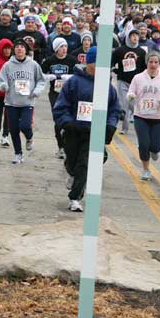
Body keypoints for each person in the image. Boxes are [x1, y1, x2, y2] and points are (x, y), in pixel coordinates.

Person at [53, 47, 120, 211]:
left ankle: (75, 198)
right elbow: (61, 106)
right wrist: (67, 122)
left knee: (86, 163)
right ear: (89, 62)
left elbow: (114, 109)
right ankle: (70, 170)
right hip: (74, 130)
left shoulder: (107, 87)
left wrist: (110, 126)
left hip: (94, 132)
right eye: (97, 62)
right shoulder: (74, 82)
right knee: (74, 161)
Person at [0, 38, 46, 164]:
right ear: (14, 50)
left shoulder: (33, 65)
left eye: (22, 47)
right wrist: (3, 86)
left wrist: (36, 91)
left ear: (26, 50)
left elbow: (41, 80)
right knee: (13, 129)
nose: (19, 49)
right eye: (17, 47)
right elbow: (0, 80)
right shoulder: (7, 65)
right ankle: (18, 154)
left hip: (27, 102)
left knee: (25, 125)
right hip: (11, 102)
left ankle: (29, 138)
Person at [127, 50, 160, 181]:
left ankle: (155, 150)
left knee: (155, 146)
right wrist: (131, 97)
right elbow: (131, 92)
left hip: (158, 117)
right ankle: (146, 169)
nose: (153, 65)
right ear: (146, 62)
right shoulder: (138, 78)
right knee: (143, 144)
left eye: (156, 62)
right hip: (140, 116)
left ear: (159, 63)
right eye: (151, 62)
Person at [41, 37, 78, 158]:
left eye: (65, 46)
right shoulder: (50, 60)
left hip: (68, 94)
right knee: (58, 120)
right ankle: (60, 147)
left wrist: (69, 77)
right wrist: (48, 76)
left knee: (68, 120)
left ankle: (68, 143)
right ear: (56, 49)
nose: (64, 49)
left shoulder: (72, 60)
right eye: (61, 47)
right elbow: (40, 74)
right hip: (55, 93)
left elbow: (78, 75)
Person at [112, 28, 147, 134]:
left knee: (134, 106)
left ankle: (142, 121)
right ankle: (124, 128)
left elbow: (143, 68)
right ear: (128, 37)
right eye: (133, 35)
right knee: (124, 105)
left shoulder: (141, 52)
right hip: (122, 80)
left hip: (135, 83)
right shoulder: (120, 50)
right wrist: (115, 71)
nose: (135, 37)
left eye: (137, 35)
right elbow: (112, 63)